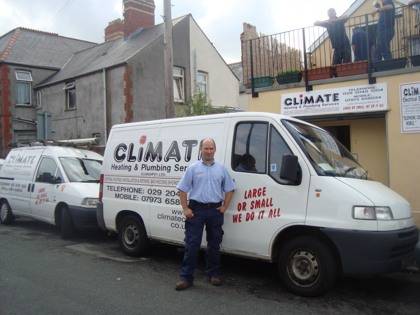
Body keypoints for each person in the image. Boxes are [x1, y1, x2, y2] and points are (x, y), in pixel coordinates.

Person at [175, 138, 235, 291]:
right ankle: (186, 278)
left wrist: (224, 207)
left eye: (211, 148)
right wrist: (185, 208)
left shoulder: (221, 169)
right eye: (206, 148)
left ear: (215, 150)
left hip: (215, 211)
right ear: (201, 150)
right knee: (192, 245)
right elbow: (182, 189)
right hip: (196, 210)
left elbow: (230, 189)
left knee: (214, 244)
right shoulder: (193, 168)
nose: (208, 151)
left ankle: (213, 274)